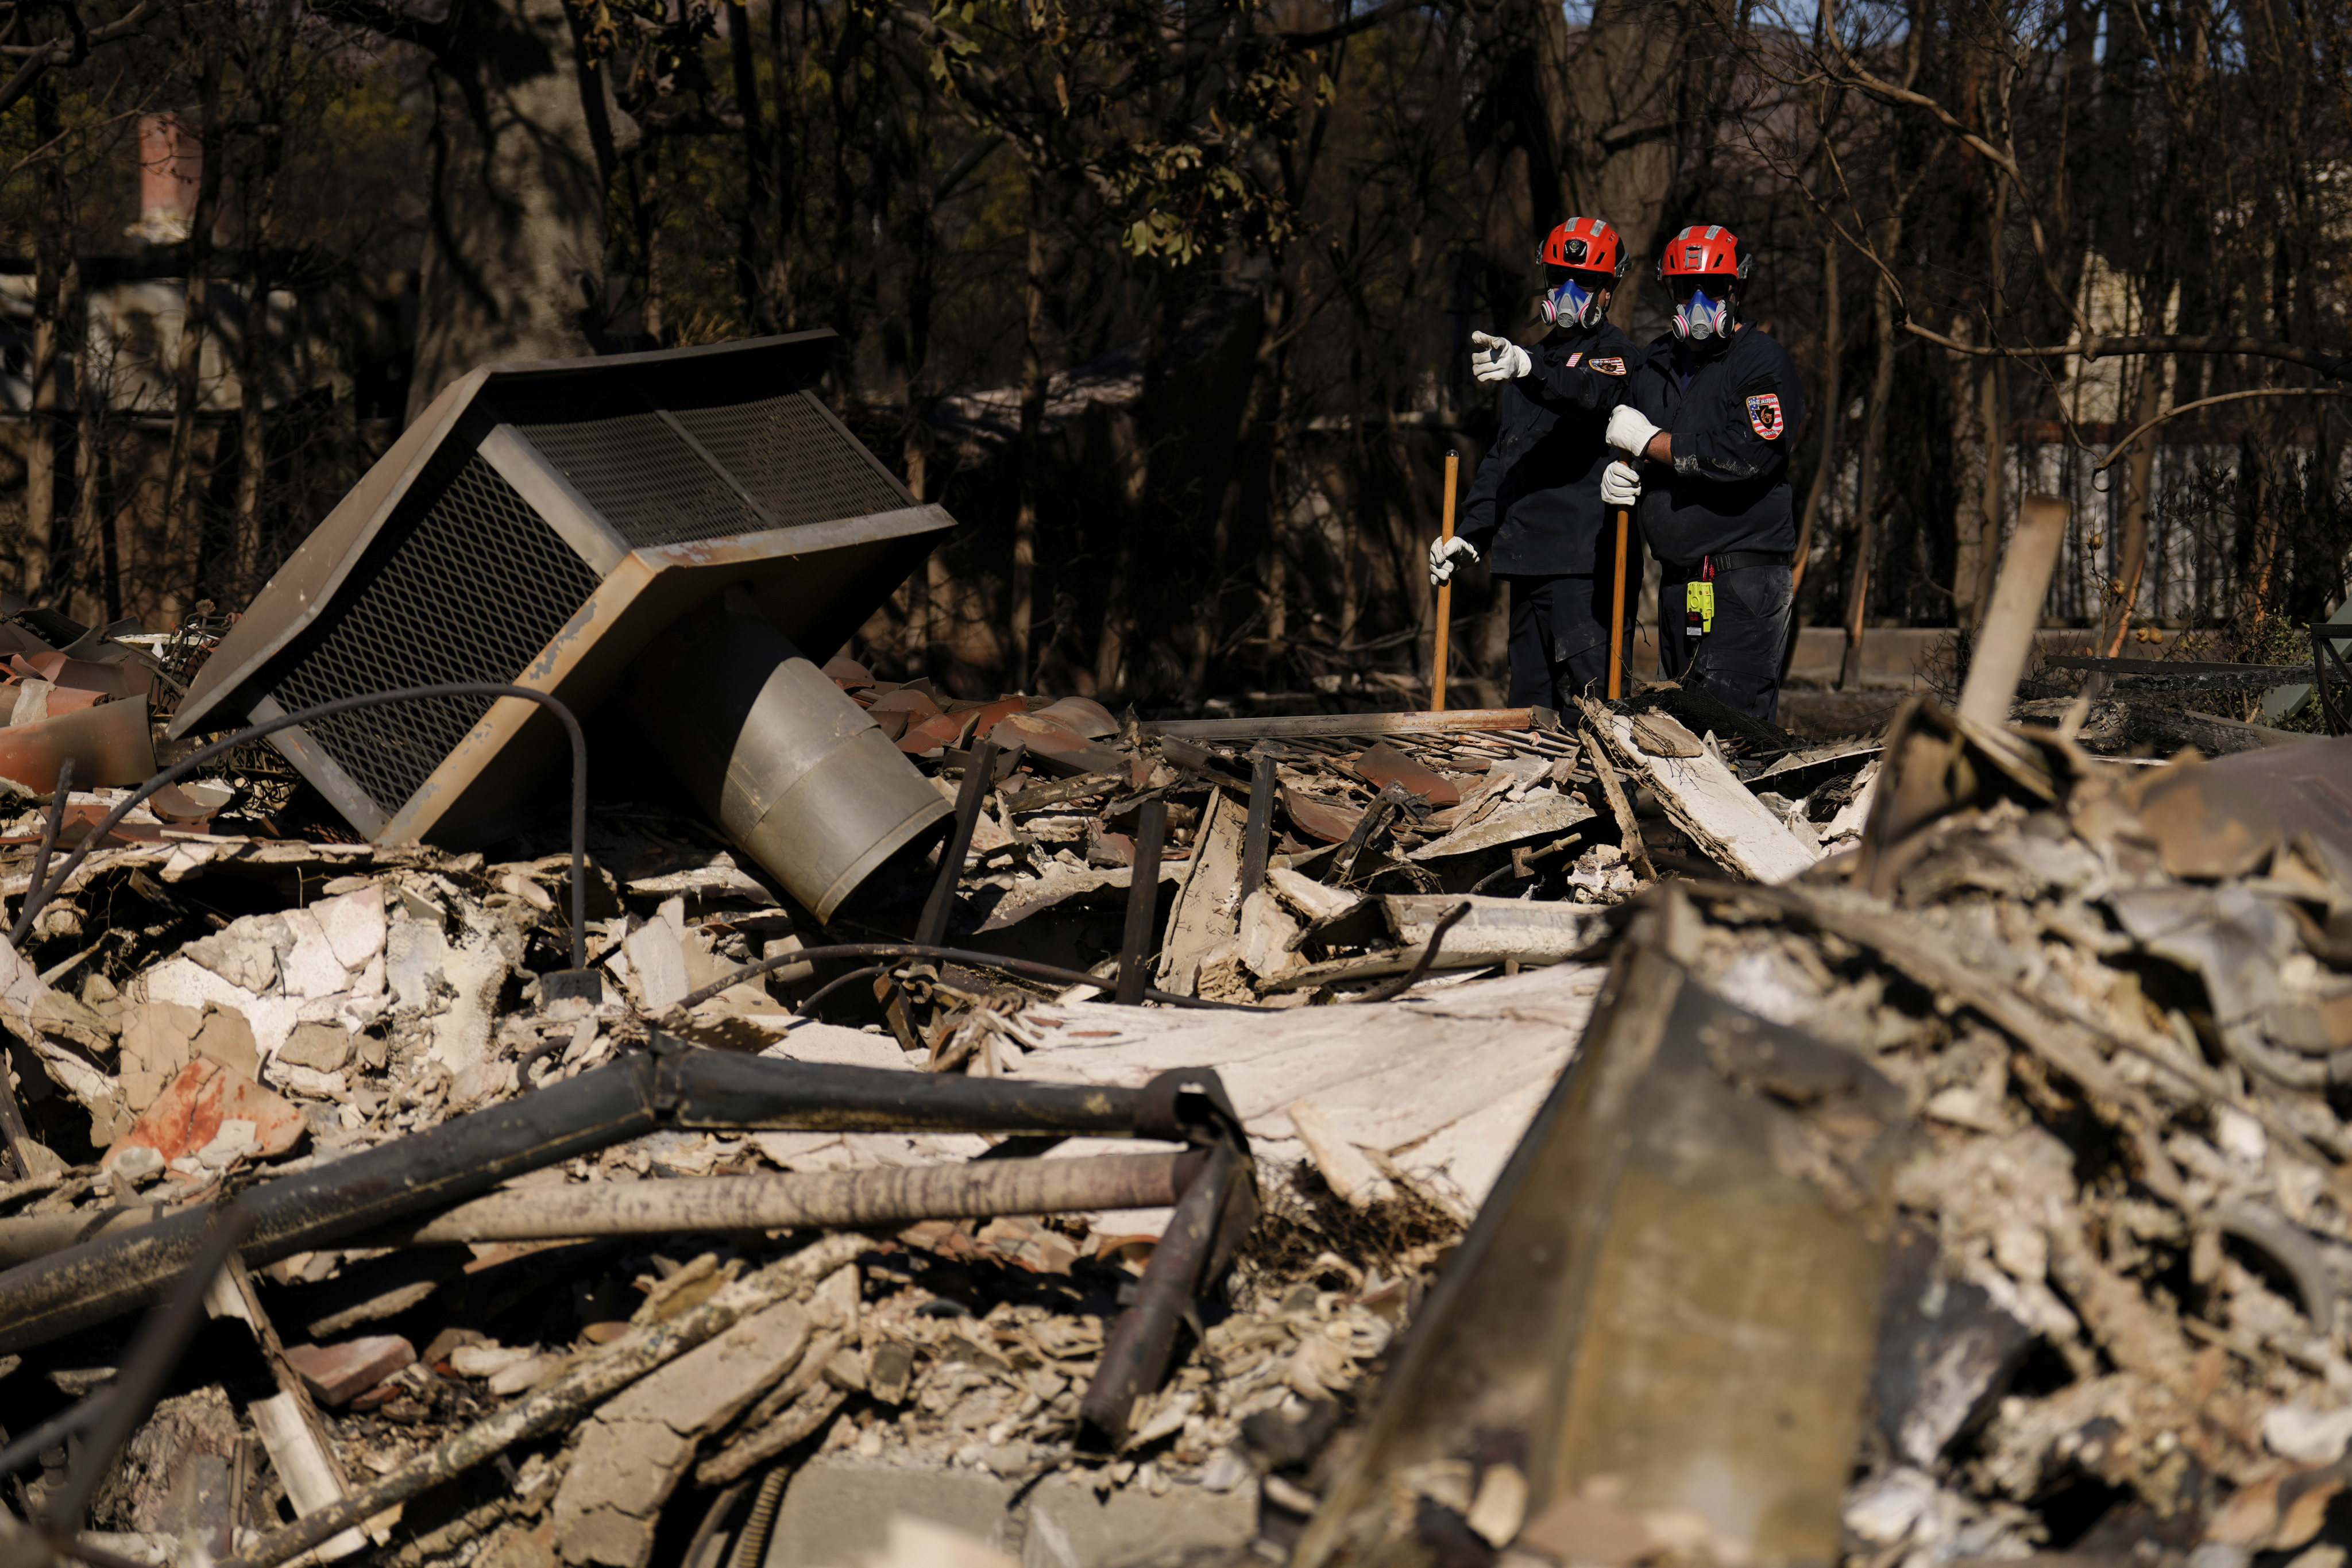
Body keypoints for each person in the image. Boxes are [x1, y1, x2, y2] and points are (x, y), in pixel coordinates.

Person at [1428, 217, 1644, 711]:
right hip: (1525, 563)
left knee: (1595, 716)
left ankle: (1606, 793)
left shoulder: (1616, 356)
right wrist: (1472, 533)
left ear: (1608, 290)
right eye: (1557, 277)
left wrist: (1528, 369)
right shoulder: (1531, 358)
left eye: (1585, 281)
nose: (1569, 291)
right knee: (1526, 713)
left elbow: (1585, 394)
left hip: (1586, 571)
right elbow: (1508, 457)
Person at [1604, 223, 1806, 723]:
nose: (1698, 300)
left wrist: (1651, 443)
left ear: (1735, 289)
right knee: (1682, 729)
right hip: (1680, 581)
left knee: (1731, 729)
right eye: (1684, 288)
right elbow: (1622, 435)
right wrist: (1621, 473)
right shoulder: (1653, 364)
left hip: (1742, 582)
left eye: (1712, 288)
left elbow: (1748, 455)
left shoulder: (1761, 362)